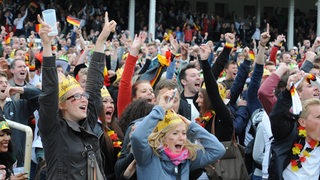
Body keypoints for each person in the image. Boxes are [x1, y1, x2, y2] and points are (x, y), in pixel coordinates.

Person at [37, 12, 116, 179]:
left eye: (83, 96)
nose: (84, 100)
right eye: (76, 97)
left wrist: (101, 40)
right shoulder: (53, 128)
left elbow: (94, 86)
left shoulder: (88, 122)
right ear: (62, 104)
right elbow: (49, 92)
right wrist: (47, 46)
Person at [130, 88, 226, 180]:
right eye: (175, 133)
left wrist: (191, 126)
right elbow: (137, 137)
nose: (182, 138)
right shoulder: (148, 156)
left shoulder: (186, 158)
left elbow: (218, 150)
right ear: (162, 137)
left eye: (184, 133)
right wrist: (160, 109)